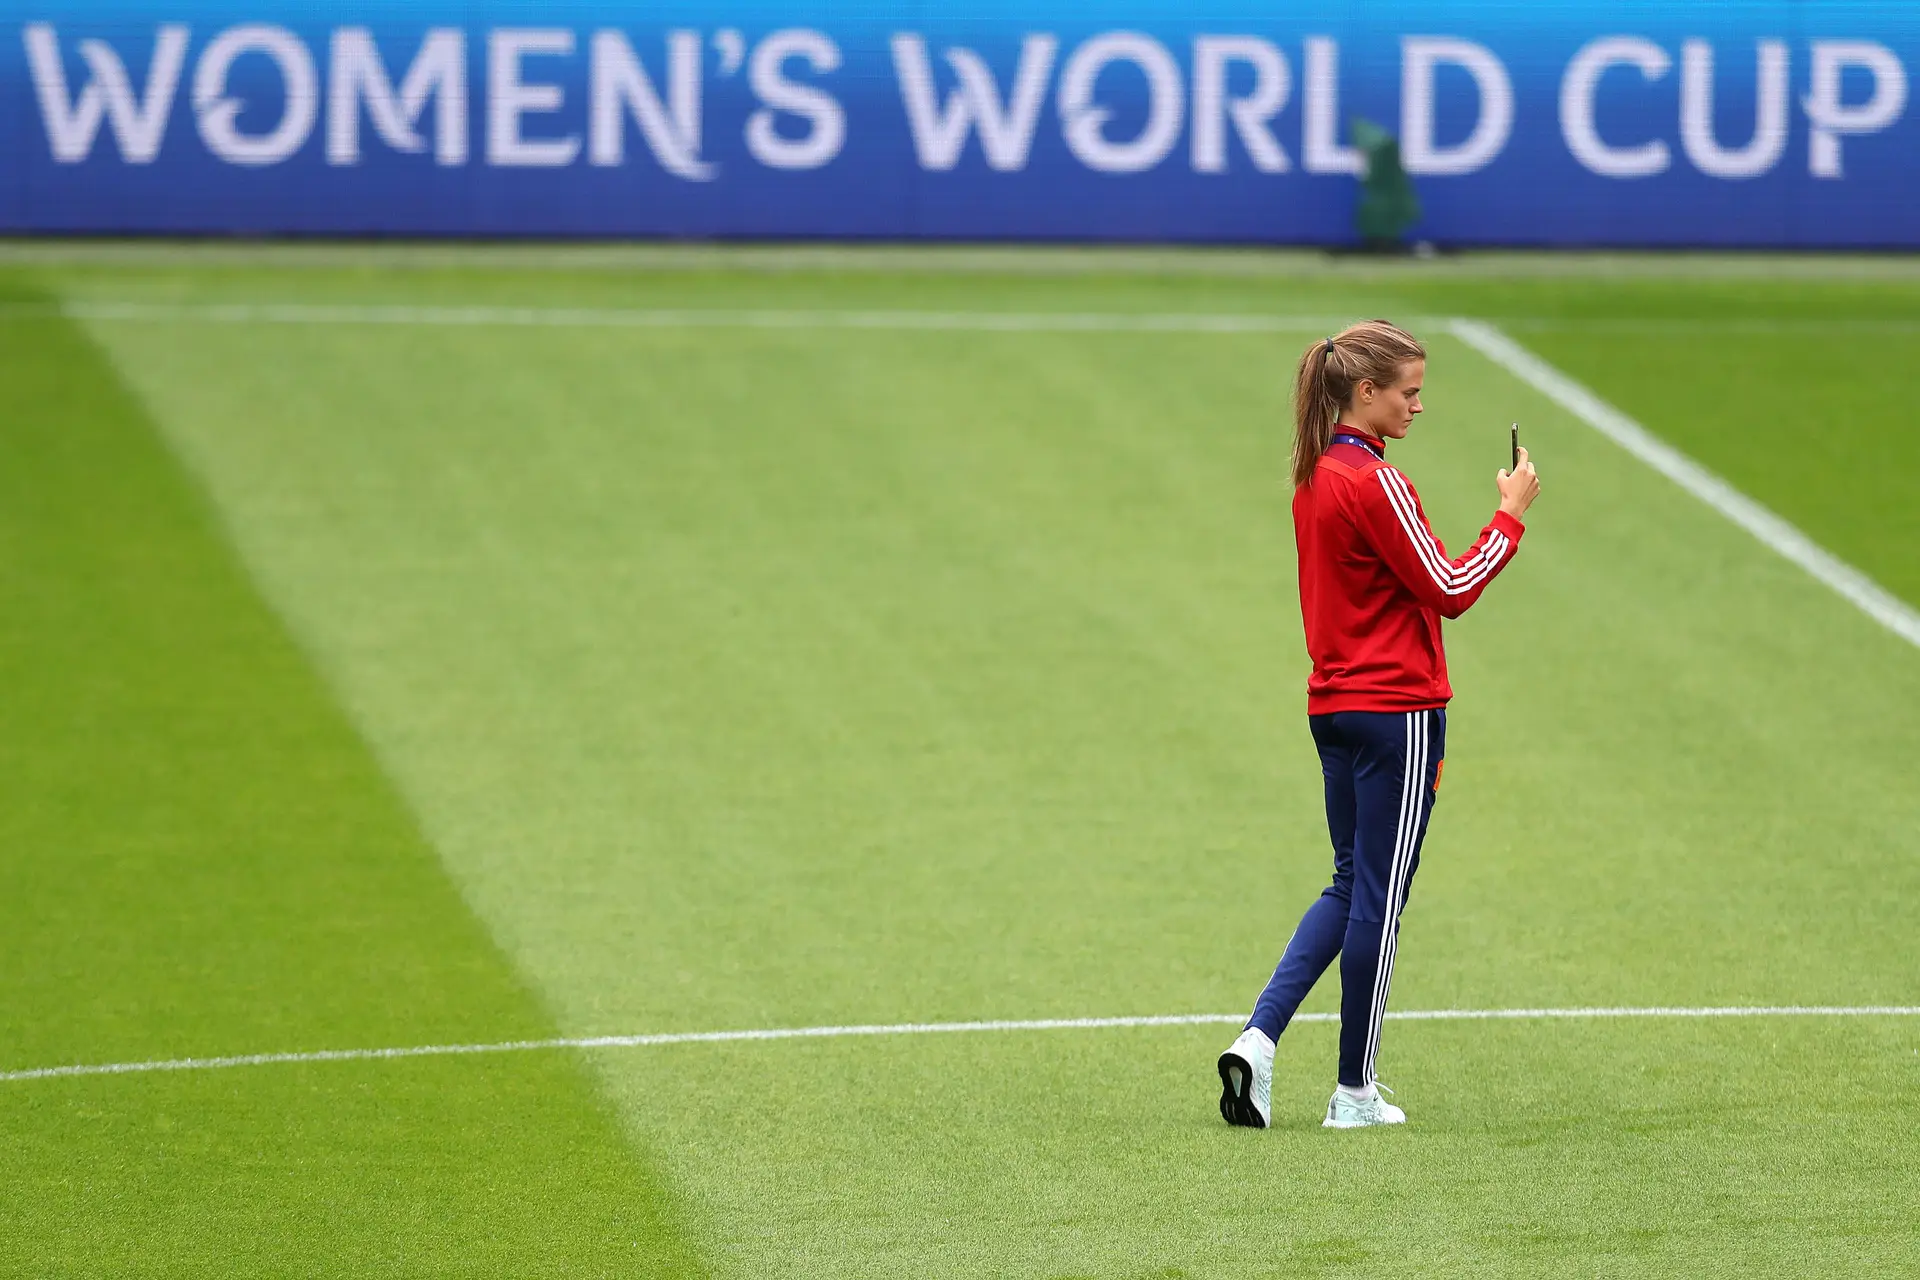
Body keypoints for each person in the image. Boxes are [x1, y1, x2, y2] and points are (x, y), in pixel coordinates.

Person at [1216, 320, 1540, 1130]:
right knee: (1379, 898)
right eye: (1409, 392)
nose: (1418, 407)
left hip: (1334, 707)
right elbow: (1451, 586)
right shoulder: (1376, 483)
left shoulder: (1314, 476)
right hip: (1399, 712)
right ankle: (1353, 1092)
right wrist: (1510, 515)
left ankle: (1258, 1042)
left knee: (1350, 881)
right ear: (1366, 392)